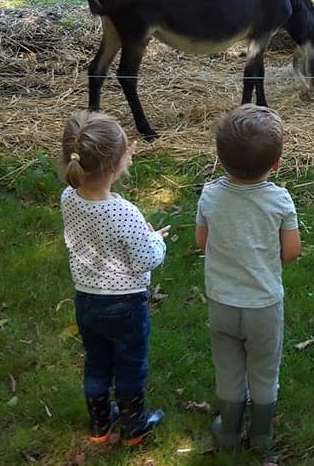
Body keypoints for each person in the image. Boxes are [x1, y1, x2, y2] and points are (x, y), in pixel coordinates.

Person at [59, 111, 171, 447]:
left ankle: (99, 425)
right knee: (129, 364)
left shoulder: (69, 198)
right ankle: (134, 426)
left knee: (96, 363)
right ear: (116, 164)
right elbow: (146, 259)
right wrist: (156, 239)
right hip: (125, 304)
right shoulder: (123, 212)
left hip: (87, 300)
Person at [195, 104, 301, 451]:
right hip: (263, 304)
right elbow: (291, 252)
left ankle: (227, 430)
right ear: (276, 163)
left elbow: (202, 243)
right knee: (264, 368)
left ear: (221, 159)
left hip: (222, 301)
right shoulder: (280, 201)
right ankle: (261, 434)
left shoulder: (210, 195)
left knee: (228, 368)